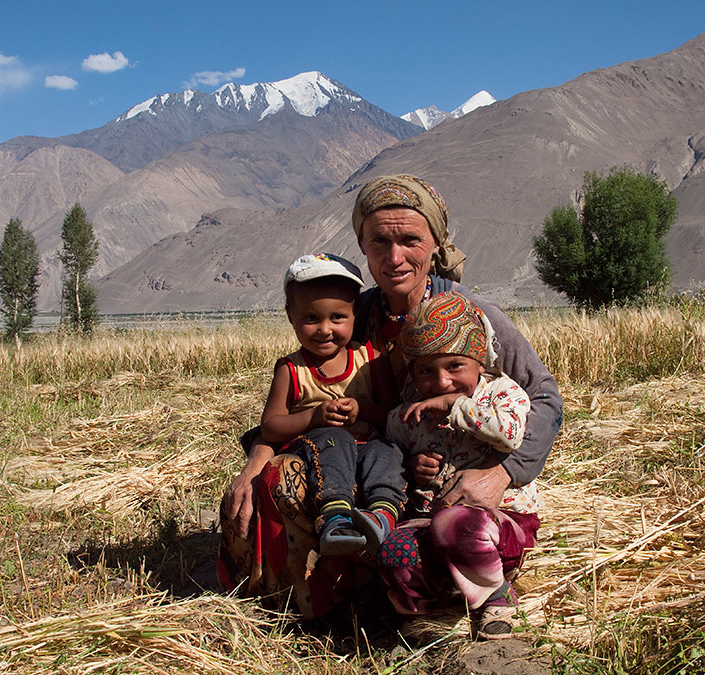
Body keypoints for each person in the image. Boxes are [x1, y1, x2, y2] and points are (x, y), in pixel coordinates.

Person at [219, 174, 563, 621]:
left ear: (436, 244)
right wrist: (256, 460)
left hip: (452, 483)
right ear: (362, 245)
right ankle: (323, 599)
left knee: (449, 533)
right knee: (279, 481)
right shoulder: (347, 317)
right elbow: (303, 403)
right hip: (373, 464)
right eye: (380, 241)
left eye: (410, 240)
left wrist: (500, 474)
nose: (394, 257)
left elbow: (545, 399)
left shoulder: (475, 317)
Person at [378, 291, 540, 639]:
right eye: (426, 371)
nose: (441, 382)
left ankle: (496, 599)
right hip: (429, 520)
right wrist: (412, 465)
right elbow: (390, 455)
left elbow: (509, 434)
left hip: (498, 524)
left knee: (456, 526)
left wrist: (456, 405)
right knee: (394, 549)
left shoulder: (501, 395)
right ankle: (429, 616)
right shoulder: (410, 414)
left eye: (455, 367)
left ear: (480, 362)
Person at [262, 253, 404, 556]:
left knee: (386, 449)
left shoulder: (371, 361)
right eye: (311, 319)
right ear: (291, 315)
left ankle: (382, 515)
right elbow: (271, 426)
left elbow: (394, 417)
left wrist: (362, 411)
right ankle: (336, 517)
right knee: (335, 437)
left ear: (355, 314)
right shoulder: (291, 370)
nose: (325, 329)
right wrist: (313, 417)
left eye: (337, 318)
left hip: (368, 447)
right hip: (318, 449)